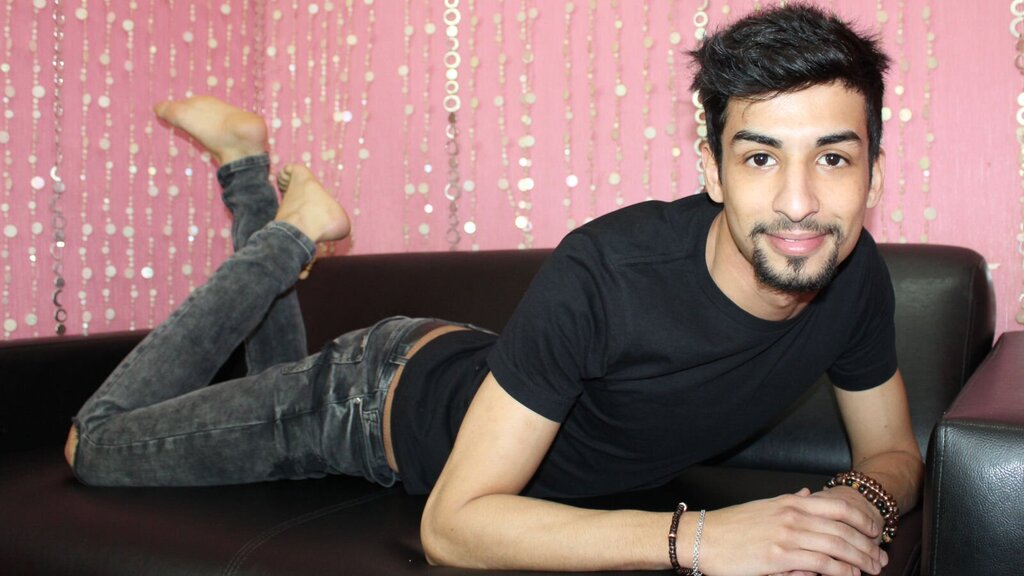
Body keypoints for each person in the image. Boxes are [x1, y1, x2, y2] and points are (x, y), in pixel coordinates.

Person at [65, 4, 923, 575]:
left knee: (264, 373)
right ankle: (293, 227)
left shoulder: (856, 279)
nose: (799, 201)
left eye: (833, 158)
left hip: (453, 363)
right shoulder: (606, 274)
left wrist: (855, 505)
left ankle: (248, 164)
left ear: (874, 175)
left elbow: (894, 454)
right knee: (93, 447)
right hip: (363, 402)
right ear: (712, 168)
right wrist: (700, 537)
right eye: (761, 156)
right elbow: (451, 527)